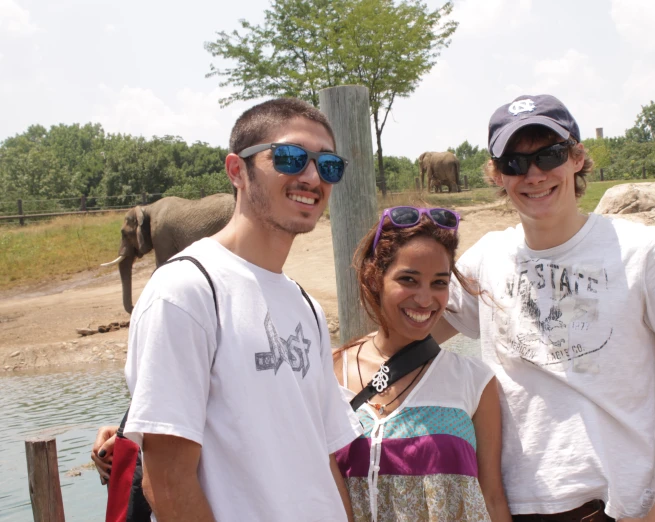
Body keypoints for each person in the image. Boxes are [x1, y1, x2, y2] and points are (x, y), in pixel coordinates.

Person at [431, 94, 655, 522]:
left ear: (576, 157)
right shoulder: (486, 259)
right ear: (496, 174)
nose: (533, 175)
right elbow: (406, 340)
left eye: (548, 155)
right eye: (514, 162)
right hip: (509, 507)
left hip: (615, 508)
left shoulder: (643, 253)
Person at [93, 98, 363, 521]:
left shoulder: (305, 305)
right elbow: (166, 479)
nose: (312, 177)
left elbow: (322, 458)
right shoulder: (186, 291)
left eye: (328, 166)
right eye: (291, 158)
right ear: (237, 170)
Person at [334, 206, 512, 522]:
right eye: (409, 280)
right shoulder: (330, 371)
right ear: (375, 278)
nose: (426, 299)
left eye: (439, 283)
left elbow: (492, 497)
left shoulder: (475, 380)